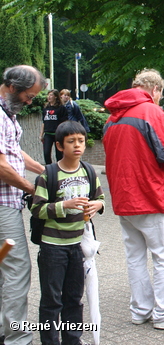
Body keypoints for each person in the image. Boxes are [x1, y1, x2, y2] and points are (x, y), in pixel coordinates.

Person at [103, 68, 164, 330]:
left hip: (124, 200)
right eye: (161, 93)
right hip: (153, 198)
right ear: (155, 90)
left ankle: (140, 310)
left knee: (135, 257)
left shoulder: (112, 118)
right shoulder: (153, 113)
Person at [31, 120, 105, 345]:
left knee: (74, 297)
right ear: (60, 146)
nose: (77, 146)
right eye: (71, 141)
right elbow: (37, 209)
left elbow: (100, 198)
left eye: (81, 141)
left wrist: (97, 206)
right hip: (53, 246)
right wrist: (65, 205)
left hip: (78, 246)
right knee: (52, 300)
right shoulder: (48, 174)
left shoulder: (89, 171)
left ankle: (72, 340)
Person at [0, 65, 46, 345]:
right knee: (17, 269)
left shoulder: (7, 114)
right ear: (13, 87)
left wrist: (46, 171)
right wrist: (33, 189)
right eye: (29, 96)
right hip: (3, 207)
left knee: (3, 266)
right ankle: (18, 337)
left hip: (6, 203)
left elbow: (14, 151)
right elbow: (2, 165)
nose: (30, 102)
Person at [41, 89, 68, 164]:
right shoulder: (46, 108)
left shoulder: (61, 108)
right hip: (48, 134)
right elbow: (44, 122)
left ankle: (59, 168)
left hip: (57, 134)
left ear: (56, 97)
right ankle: (49, 168)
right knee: (46, 153)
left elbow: (64, 122)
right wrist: (41, 134)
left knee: (59, 154)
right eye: (48, 95)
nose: (49, 97)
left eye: (51, 95)